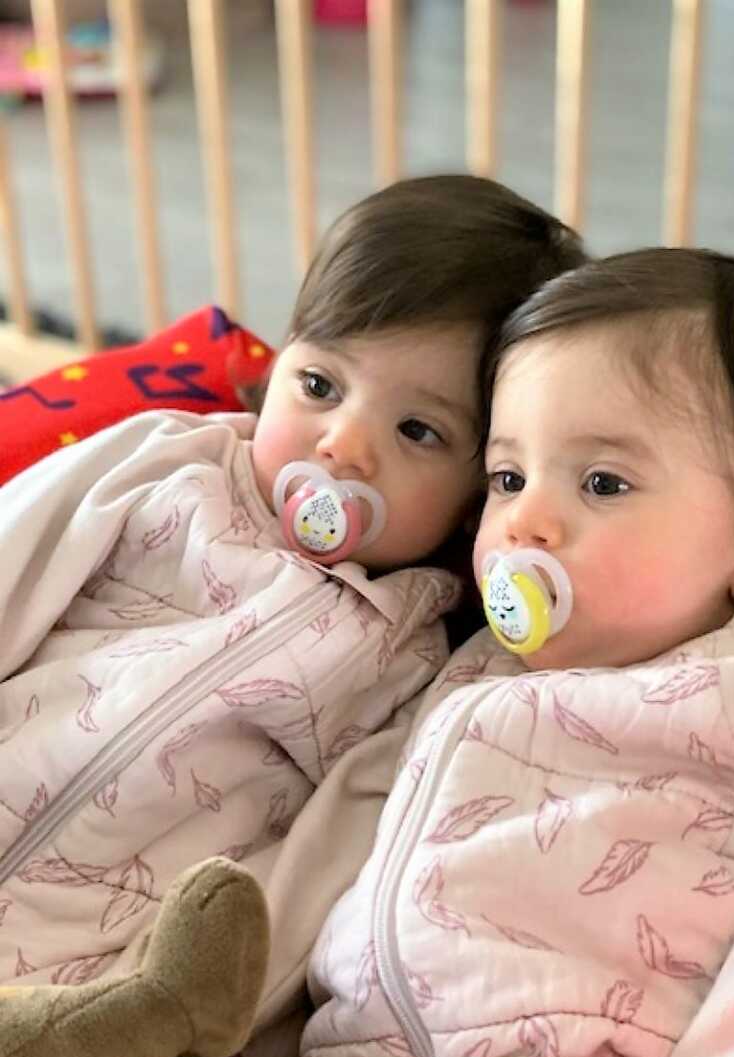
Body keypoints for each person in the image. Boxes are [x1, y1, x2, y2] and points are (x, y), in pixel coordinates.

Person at [177, 248, 734, 1057]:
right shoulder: (475, 664)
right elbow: (350, 823)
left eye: (601, 484)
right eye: (509, 479)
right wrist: (215, 1033)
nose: (525, 525)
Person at [0, 174, 585, 992]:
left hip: (78, 977)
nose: (343, 445)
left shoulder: (411, 670)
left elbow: (321, 871)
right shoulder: (170, 464)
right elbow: (17, 554)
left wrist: (188, 1014)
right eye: (319, 386)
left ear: (476, 495)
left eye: (418, 430)